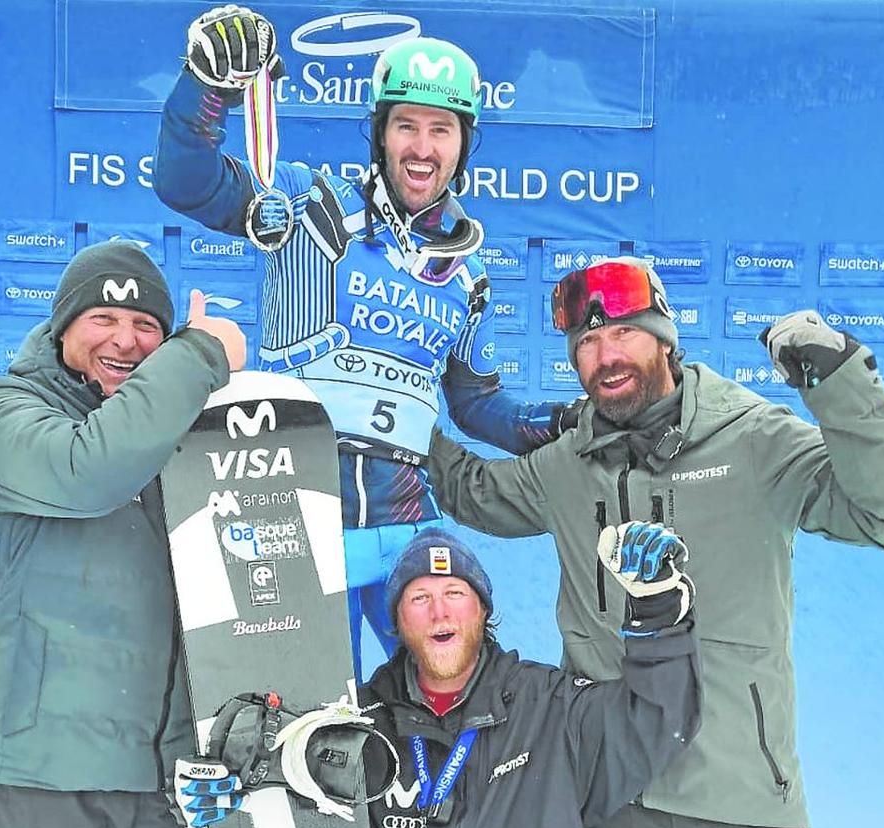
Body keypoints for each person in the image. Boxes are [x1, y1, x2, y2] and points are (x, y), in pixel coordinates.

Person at [425, 256, 884, 828]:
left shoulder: (752, 440)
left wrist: (841, 379)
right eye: (587, 341)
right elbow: (469, 490)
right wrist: (389, 404)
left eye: (624, 332)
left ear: (665, 341)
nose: (606, 355)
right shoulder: (567, 464)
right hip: (606, 799)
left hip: (738, 801)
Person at [153, 5, 571, 678]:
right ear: (380, 135)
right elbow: (185, 181)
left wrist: (564, 423)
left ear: (465, 146)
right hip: (295, 515)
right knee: (310, 727)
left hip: (407, 521)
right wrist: (206, 86)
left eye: (442, 130)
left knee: (451, 701)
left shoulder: (468, 271)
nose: (422, 147)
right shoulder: (307, 204)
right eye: (406, 126)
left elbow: (477, 405)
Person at [0, 240, 247, 828]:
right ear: (63, 327)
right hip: (45, 776)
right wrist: (199, 354)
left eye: (146, 326)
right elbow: (88, 471)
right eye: (103, 318)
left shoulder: (183, 431)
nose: (125, 340)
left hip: (167, 782)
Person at [172, 524, 702, 828]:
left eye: (455, 594)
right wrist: (206, 803)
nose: (438, 610)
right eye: (419, 599)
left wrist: (657, 611)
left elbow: (657, 721)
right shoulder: (356, 721)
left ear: (482, 611)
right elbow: (275, 800)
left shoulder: (553, 705)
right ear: (399, 623)